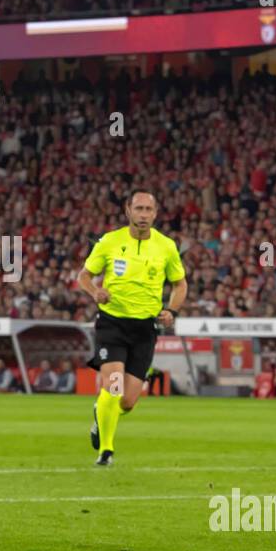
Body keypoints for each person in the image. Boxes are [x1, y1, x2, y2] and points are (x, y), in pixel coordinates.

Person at [78, 189, 187, 467]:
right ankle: (106, 451)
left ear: (155, 213)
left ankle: (100, 415)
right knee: (112, 387)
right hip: (112, 323)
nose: (143, 215)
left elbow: (179, 284)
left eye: (148, 210)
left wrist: (171, 310)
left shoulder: (166, 246)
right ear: (128, 210)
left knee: (126, 401)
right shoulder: (110, 241)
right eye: (138, 209)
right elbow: (85, 275)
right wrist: (94, 292)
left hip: (145, 329)